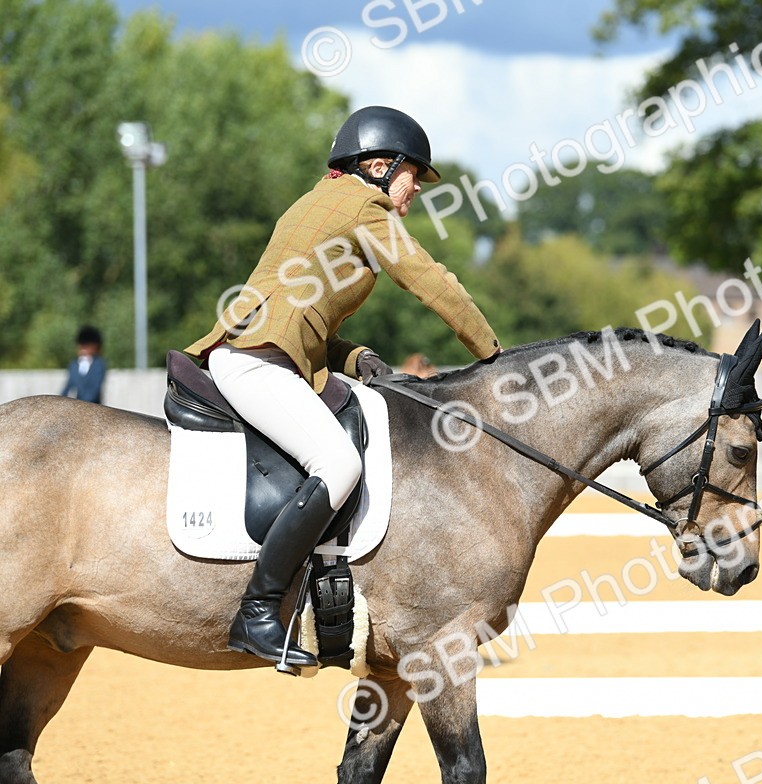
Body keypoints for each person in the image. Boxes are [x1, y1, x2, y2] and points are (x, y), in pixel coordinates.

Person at [184, 106, 501, 669]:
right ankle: (256, 611)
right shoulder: (364, 205)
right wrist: (494, 357)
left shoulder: (317, 204)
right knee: (338, 465)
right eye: (413, 179)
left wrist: (360, 358)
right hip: (257, 363)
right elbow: (432, 283)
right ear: (381, 166)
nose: (414, 195)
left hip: (261, 352)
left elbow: (298, 318)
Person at [61, 326, 107, 404]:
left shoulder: (99, 364)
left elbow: (95, 389)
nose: (83, 348)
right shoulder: (74, 364)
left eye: (87, 346)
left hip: (94, 406)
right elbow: (68, 387)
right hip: (77, 405)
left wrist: (81, 404)